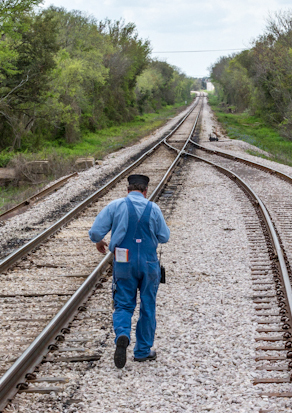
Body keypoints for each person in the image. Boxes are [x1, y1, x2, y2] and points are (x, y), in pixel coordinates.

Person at [89, 174, 170, 368]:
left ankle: (123, 334)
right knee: (148, 306)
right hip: (149, 263)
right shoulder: (154, 208)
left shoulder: (116, 205)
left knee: (124, 304)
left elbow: (95, 233)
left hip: (124, 260)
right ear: (145, 191)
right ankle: (142, 351)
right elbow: (164, 237)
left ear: (127, 190)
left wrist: (100, 241)